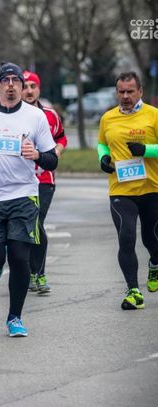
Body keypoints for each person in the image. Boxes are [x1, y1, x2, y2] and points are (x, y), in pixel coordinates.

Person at [0, 62, 58, 337]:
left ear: (22, 86)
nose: (12, 85)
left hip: (23, 196)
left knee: (19, 258)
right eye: (6, 80)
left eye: (16, 81)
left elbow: (51, 160)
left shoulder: (35, 116)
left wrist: (37, 155)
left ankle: (15, 317)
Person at [97, 71, 158, 310]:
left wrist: (146, 151)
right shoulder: (108, 118)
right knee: (126, 237)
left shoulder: (153, 115)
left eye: (130, 91)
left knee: (152, 239)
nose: (125, 96)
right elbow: (102, 143)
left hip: (152, 188)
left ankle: (155, 264)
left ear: (140, 92)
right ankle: (133, 291)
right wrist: (103, 158)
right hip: (121, 189)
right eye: (121, 92)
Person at [22, 70, 67, 294]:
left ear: (39, 89)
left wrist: (57, 150)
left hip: (44, 178)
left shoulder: (50, 115)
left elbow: (61, 136)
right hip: (18, 180)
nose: (29, 91)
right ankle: (24, 271)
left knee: (36, 223)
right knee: (22, 227)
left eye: (33, 86)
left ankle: (38, 274)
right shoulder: (11, 115)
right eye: (25, 86)